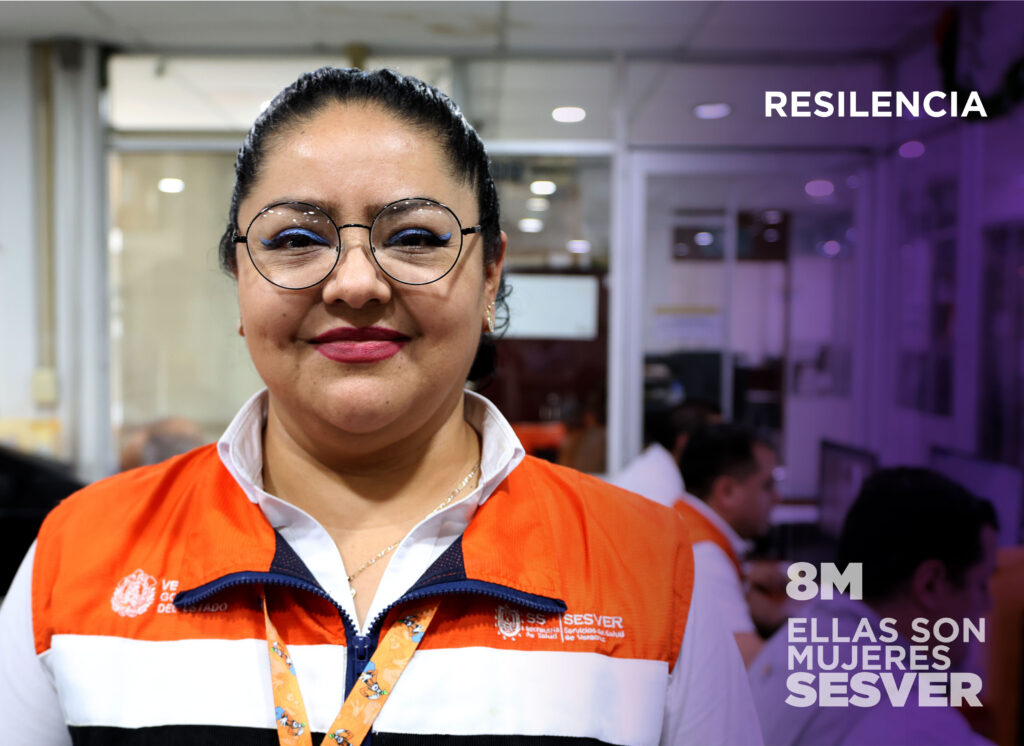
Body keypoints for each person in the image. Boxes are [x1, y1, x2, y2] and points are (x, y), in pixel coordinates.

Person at [0, 68, 762, 745]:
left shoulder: (651, 569)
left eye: (416, 235)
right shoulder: (80, 555)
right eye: (296, 238)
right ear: (241, 275)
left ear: (490, 275)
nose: (356, 283)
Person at [749, 468, 998, 746]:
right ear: (930, 585)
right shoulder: (908, 720)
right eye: (981, 584)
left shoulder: (807, 634)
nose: (988, 605)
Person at [676, 423, 783, 665]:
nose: (777, 498)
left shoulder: (685, 520)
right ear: (727, 492)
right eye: (767, 485)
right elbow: (756, 666)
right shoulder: (705, 556)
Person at [609, 397, 721, 507]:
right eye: (714, 439)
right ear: (684, 441)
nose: (722, 447)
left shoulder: (657, 466)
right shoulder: (663, 487)